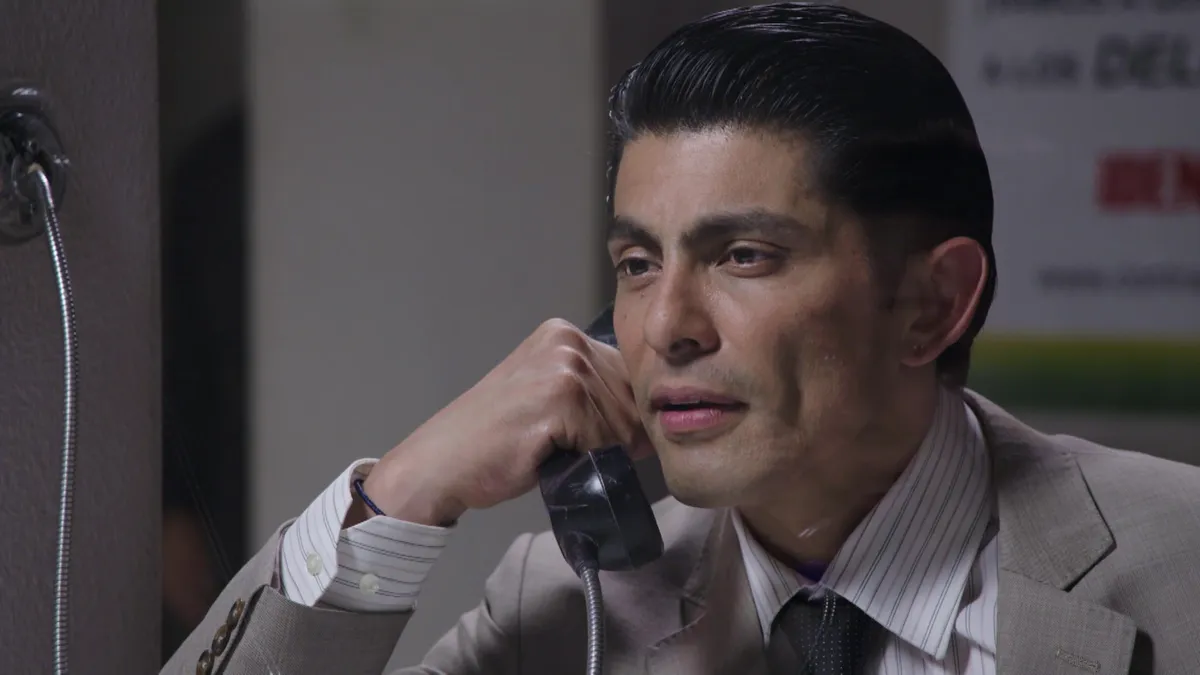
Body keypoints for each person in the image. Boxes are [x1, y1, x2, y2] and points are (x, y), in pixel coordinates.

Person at [163, 4, 1200, 674]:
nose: (663, 327)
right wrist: (402, 490)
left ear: (933, 304)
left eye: (744, 255)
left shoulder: (1179, 565)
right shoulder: (571, 605)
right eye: (636, 263)